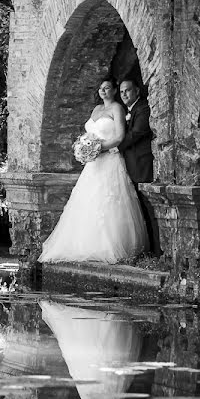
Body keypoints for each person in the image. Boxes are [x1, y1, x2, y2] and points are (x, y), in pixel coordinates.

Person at [38, 77, 147, 264]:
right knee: (87, 201)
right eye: (101, 88)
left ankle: (111, 246)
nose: (103, 91)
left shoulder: (117, 109)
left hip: (109, 160)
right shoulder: (96, 110)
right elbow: (90, 133)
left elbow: (120, 137)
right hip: (93, 164)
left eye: (107, 88)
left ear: (114, 91)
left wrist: (97, 148)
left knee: (109, 201)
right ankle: (84, 245)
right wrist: (84, 147)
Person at [118, 79, 159, 255]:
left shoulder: (142, 108)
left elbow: (138, 132)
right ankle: (147, 247)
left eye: (127, 91)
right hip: (130, 165)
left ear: (136, 91)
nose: (124, 95)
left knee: (147, 206)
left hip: (141, 164)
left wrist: (115, 145)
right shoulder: (126, 111)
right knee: (137, 208)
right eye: (121, 92)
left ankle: (157, 249)